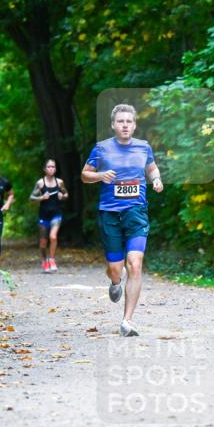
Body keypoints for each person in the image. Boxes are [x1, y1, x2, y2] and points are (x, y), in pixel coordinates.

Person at [81, 103, 163, 336]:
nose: (125, 125)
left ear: (134, 125)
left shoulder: (144, 147)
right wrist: (99, 175)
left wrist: (156, 180)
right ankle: (115, 282)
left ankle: (127, 321)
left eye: (129, 121)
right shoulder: (102, 149)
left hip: (136, 212)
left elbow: (152, 169)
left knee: (135, 264)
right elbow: (84, 175)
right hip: (110, 213)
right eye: (121, 121)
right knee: (115, 269)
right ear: (113, 125)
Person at [29, 158, 69, 273]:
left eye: (53, 167)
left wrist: (63, 196)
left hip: (56, 214)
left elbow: (66, 193)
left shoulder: (59, 182)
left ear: (55, 169)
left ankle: (51, 259)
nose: (51, 169)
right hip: (43, 215)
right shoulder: (40, 183)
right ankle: (44, 259)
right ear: (45, 169)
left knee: (53, 237)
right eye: (49, 167)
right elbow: (31, 197)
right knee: (43, 242)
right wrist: (41, 197)